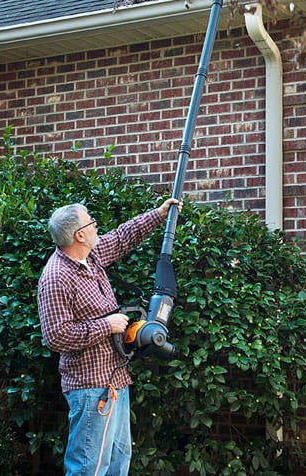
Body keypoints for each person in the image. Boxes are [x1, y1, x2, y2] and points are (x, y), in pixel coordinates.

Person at [37, 197, 181, 476]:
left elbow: (122, 236)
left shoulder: (91, 256)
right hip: (90, 387)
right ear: (79, 234)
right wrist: (107, 325)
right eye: (91, 222)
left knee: (117, 463)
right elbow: (56, 336)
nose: (96, 226)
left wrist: (160, 213)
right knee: (88, 468)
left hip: (116, 380)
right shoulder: (56, 277)